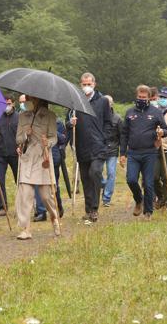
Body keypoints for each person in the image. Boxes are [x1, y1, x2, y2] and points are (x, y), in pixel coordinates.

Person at [15, 96, 61, 240]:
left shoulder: (50, 116)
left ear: (38, 99)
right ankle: (25, 229)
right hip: (28, 158)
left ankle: (54, 218)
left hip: (43, 158)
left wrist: (48, 142)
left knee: (46, 196)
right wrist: (25, 134)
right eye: (26, 97)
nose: (28, 99)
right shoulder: (22, 116)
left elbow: (54, 137)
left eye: (30, 98)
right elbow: (18, 139)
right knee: (25, 195)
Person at [68, 72, 110, 223]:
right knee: (86, 178)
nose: (86, 87)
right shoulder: (75, 102)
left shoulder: (103, 101)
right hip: (82, 146)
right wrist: (70, 123)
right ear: (80, 85)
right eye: (84, 84)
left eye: (89, 84)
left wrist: (104, 139)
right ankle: (88, 210)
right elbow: (68, 124)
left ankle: (95, 208)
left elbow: (108, 122)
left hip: (99, 146)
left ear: (94, 84)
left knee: (95, 172)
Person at [120, 85, 167, 220]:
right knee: (131, 180)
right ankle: (138, 199)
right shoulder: (130, 112)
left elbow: (165, 129)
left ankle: (148, 211)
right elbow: (124, 134)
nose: (141, 99)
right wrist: (122, 153)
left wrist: (161, 132)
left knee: (148, 183)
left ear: (148, 98)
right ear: (136, 97)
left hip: (150, 153)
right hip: (133, 153)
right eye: (139, 97)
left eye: (144, 97)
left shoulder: (156, 112)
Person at [34, 118, 66, 220]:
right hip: (39, 158)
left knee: (53, 185)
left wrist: (51, 132)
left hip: (54, 159)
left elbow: (63, 139)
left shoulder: (58, 123)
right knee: (38, 185)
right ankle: (41, 212)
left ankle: (58, 206)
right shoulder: (34, 124)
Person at [0, 96, 19, 217]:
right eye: (5, 103)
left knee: (19, 180)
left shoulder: (18, 117)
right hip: (0, 154)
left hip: (15, 153)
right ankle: (2, 207)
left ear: (13, 104)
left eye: (9, 103)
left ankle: (22, 205)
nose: (7, 106)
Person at [102, 95, 122, 207]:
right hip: (100, 149)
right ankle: (104, 185)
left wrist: (123, 151)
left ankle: (106, 198)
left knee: (111, 173)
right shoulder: (98, 117)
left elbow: (122, 136)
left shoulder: (117, 119)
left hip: (113, 150)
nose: (106, 104)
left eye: (108, 102)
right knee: (96, 173)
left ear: (112, 104)